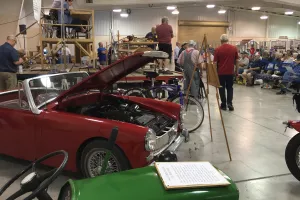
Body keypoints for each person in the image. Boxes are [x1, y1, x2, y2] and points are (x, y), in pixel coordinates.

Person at [214, 34, 239, 111]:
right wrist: (236, 71)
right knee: (230, 88)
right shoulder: (234, 48)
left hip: (220, 73)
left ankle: (223, 104)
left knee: (221, 88)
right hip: (230, 72)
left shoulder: (217, 49)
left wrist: (214, 73)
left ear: (221, 40)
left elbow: (215, 63)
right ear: (227, 40)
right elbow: (237, 61)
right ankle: (230, 103)